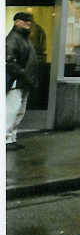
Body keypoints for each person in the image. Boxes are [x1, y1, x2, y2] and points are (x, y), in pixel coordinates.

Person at [6, 12, 38, 149]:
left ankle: (11, 138)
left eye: (29, 21)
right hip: (17, 81)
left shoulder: (22, 38)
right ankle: (6, 139)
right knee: (12, 110)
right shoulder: (14, 39)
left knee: (18, 110)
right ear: (16, 22)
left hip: (22, 80)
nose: (28, 23)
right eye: (25, 21)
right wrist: (24, 74)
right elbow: (9, 62)